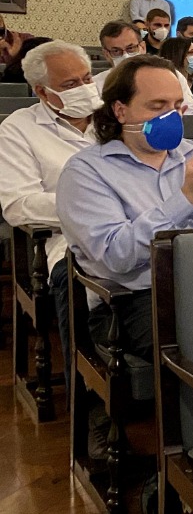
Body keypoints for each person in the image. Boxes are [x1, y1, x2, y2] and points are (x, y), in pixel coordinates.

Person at [56, 58, 193, 410]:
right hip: (136, 301)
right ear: (120, 110)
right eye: (157, 106)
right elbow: (115, 256)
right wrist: (186, 199)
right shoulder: (87, 171)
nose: (171, 116)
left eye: (177, 105)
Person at [0, 41, 101, 389]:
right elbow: (18, 204)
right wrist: (91, 208)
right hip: (63, 241)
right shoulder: (19, 129)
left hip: (133, 230)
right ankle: (85, 395)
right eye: (71, 84)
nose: (84, 89)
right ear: (42, 91)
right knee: (82, 282)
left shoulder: (115, 118)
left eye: (87, 79)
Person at [93, 21, 193, 118]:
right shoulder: (96, 85)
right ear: (106, 54)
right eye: (116, 51)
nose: (125, 55)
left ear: (142, 47)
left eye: (130, 48)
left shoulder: (171, 76)